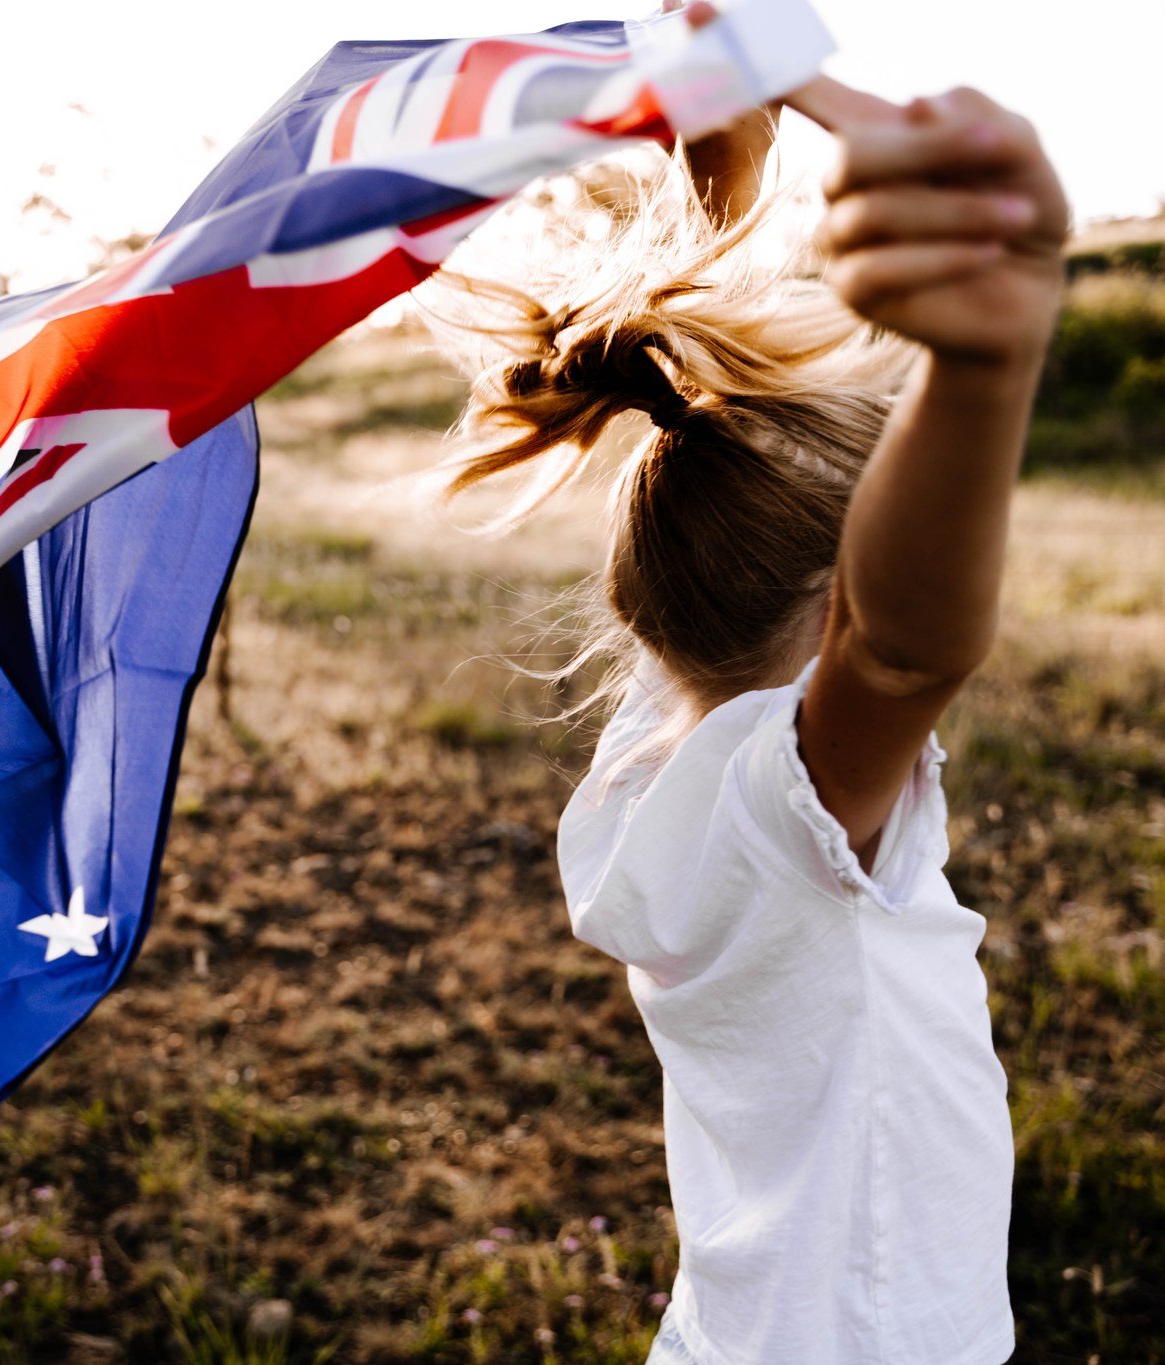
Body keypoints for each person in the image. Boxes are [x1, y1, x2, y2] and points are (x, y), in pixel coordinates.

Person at [436, 6, 1071, 1361]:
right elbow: (900, 650)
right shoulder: (804, 812)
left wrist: (719, 176)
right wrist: (984, 363)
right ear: (848, 603)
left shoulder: (656, 770)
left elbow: (700, 456)